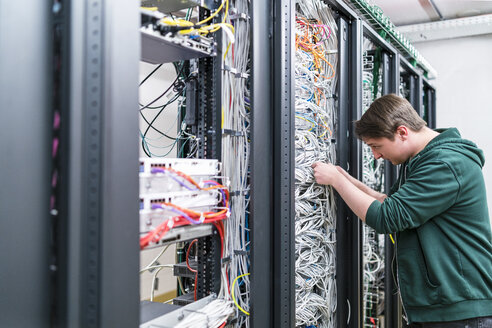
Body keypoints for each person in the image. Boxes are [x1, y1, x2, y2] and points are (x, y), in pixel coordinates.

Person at [312, 94, 492, 327]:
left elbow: (387, 217)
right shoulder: (422, 160)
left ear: (402, 132)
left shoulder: (446, 163)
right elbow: (391, 203)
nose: (376, 156)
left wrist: (337, 180)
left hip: (460, 310)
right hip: (445, 308)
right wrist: (347, 180)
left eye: (376, 146)